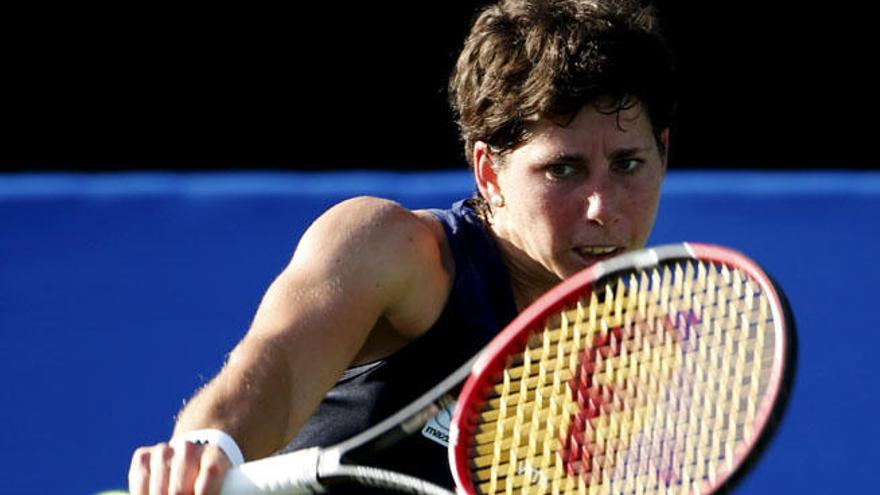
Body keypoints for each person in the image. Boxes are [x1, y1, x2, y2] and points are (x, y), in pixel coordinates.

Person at [128, 0, 677, 493]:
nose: (603, 207)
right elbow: (277, 371)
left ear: (663, 155)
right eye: (563, 170)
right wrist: (210, 448)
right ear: (489, 174)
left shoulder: (638, 353)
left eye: (628, 164)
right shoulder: (396, 251)